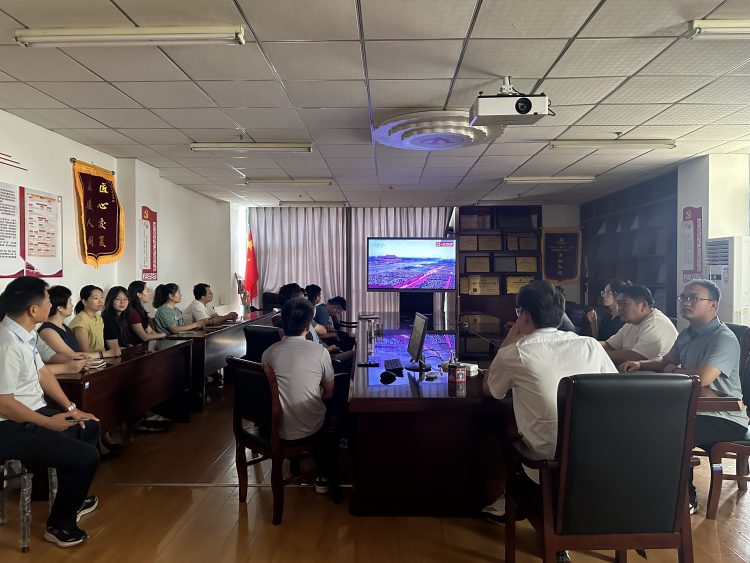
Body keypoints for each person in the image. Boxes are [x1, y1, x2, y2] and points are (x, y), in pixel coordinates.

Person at [482, 280, 616, 540]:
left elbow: (490, 389)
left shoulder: (516, 353)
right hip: (600, 464)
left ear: (525, 315)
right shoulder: (590, 345)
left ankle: (510, 501)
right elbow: (614, 391)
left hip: (545, 469)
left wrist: (511, 337)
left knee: (503, 428)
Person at [622, 280, 748, 514]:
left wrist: (672, 371)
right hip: (696, 408)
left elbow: (704, 377)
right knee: (647, 425)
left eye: (694, 298)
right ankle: (652, 491)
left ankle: (686, 499)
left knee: (673, 433)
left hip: (725, 416)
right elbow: (665, 361)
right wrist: (640, 364)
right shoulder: (687, 334)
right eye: (684, 297)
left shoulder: (723, 338)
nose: (686, 302)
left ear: (713, 305)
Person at [0, 277, 100, 548]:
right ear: (33, 309)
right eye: (47, 299)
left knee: (88, 425)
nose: (51, 304)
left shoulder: (25, 334)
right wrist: (48, 422)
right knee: (86, 457)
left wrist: (71, 408)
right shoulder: (6, 343)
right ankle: (60, 525)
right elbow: (4, 404)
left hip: (32, 413)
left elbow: (42, 373)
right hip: (9, 426)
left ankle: (71, 497)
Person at [261, 297, 335, 493]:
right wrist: (316, 391)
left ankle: (297, 463)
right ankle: (323, 473)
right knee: (333, 408)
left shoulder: (268, 353)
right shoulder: (319, 352)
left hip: (274, 428)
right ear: (308, 326)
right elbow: (329, 393)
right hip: (309, 427)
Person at [600, 284, 677, 367]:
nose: (620, 308)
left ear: (644, 305)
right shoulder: (631, 322)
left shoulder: (655, 323)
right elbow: (609, 345)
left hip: (657, 373)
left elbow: (637, 356)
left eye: (625, 304)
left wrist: (599, 354)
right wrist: (591, 346)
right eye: (619, 304)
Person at [39, 286, 118, 360]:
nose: (72, 305)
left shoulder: (64, 327)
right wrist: (105, 354)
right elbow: (74, 356)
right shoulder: (48, 331)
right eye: (70, 302)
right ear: (60, 308)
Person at [68, 285, 120, 358]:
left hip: (101, 359)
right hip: (88, 362)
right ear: (84, 301)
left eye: (102, 297)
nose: (101, 301)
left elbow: (101, 347)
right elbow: (85, 354)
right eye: (96, 298)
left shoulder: (98, 318)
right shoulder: (80, 323)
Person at [101, 286, 131, 356]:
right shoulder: (108, 319)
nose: (122, 302)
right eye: (118, 299)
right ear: (111, 300)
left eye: (125, 299)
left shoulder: (122, 317)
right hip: (111, 358)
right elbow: (114, 349)